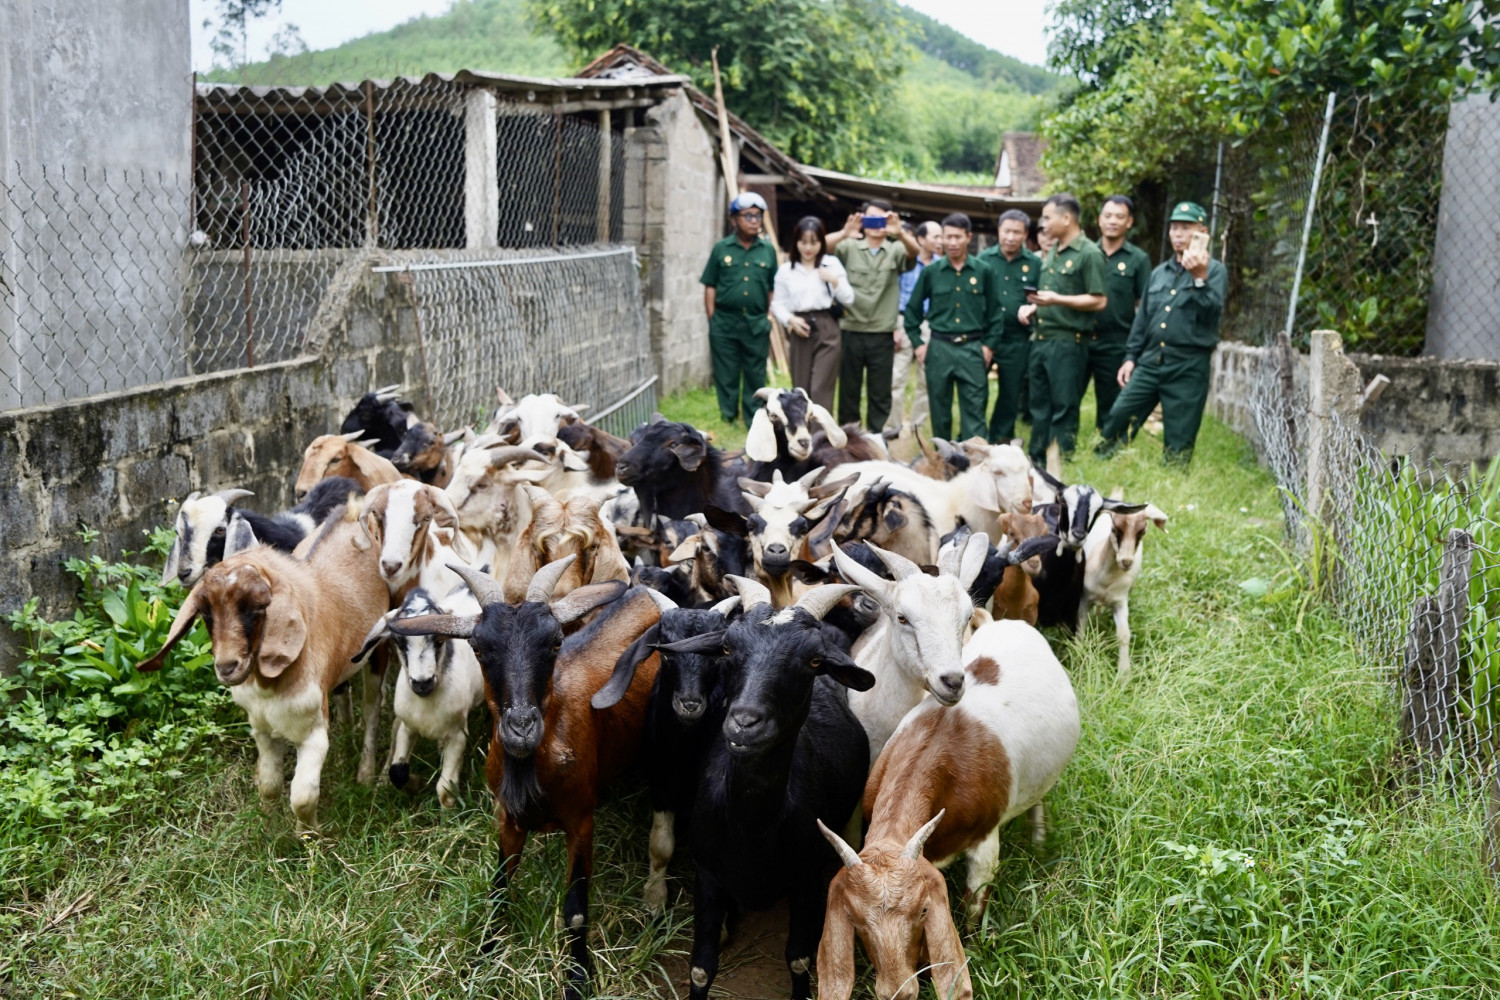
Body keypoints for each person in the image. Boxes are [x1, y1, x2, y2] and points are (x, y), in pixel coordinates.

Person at [1096, 200, 1227, 466]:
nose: (1179, 234)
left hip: (1188, 364)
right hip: (1151, 361)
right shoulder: (1158, 274)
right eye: (1175, 228)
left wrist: (1199, 278)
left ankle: (1171, 481)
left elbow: (1212, 315)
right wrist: (1131, 357)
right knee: (1118, 417)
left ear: (1202, 231)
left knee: (1179, 440)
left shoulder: (1214, 271)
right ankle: (1103, 465)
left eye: (1186, 228)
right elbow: (1142, 319)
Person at [1018, 193, 1106, 466]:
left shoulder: (1089, 253)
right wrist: (1034, 307)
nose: (1043, 224)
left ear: (1066, 218)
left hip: (1068, 342)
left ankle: (1060, 464)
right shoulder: (1053, 251)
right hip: (1041, 339)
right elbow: (1051, 294)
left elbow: (1099, 299)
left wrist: (1056, 299)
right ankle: (1036, 461)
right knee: (1039, 406)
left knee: (1064, 407)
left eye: (1048, 217)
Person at [826, 199, 921, 432]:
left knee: (880, 392)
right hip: (851, 328)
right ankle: (850, 437)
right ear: (862, 220)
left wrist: (899, 233)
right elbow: (821, 247)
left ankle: (877, 437)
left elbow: (914, 252)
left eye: (882, 219)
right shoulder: (848, 246)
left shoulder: (896, 248)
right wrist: (844, 233)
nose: (876, 224)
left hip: (881, 331)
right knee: (849, 390)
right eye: (871, 219)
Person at [904, 213, 998, 442]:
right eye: (948, 237)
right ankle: (944, 463)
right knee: (940, 411)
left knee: (974, 412)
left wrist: (988, 346)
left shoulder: (983, 271)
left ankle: (974, 463)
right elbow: (912, 312)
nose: (952, 243)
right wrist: (918, 344)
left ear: (968, 237)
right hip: (939, 348)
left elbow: (996, 314)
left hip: (972, 348)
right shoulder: (932, 273)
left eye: (958, 237)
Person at [700, 192, 778, 424]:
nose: (754, 221)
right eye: (748, 216)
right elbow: (710, 285)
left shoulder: (767, 250)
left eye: (758, 216)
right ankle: (728, 416)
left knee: (755, 373)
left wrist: (769, 316)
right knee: (726, 373)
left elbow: (773, 287)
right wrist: (712, 318)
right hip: (724, 321)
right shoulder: (721, 248)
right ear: (734, 219)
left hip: (756, 322)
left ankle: (753, 416)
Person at [771, 216, 854, 409]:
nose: (808, 248)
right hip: (801, 327)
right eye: (803, 242)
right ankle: (801, 436)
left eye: (814, 243)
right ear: (796, 242)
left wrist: (835, 281)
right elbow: (777, 304)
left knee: (820, 388)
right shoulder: (786, 270)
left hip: (827, 326)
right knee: (801, 390)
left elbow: (849, 298)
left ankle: (820, 437)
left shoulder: (831, 264)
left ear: (822, 243)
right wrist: (790, 320)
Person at [1087, 195, 1152, 431]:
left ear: (1130, 222)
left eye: (1119, 216)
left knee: (1111, 402)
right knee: (1067, 397)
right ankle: (1065, 446)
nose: (1113, 221)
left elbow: (1145, 304)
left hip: (1115, 342)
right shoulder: (1086, 253)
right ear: (1099, 220)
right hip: (1081, 337)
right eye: (1108, 216)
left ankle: (1105, 443)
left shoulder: (1138, 259)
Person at [977, 209, 1041, 442]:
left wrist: (1033, 309)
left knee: (1010, 394)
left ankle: (1001, 440)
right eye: (1007, 231)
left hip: (1017, 339)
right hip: (985, 337)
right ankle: (975, 438)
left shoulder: (1035, 263)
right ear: (999, 231)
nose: (1011, 237)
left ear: (1025, 234)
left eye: (1017, 232)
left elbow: (1041, 297)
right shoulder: (983, 259)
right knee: (976, 391)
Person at [884, 220, 939, 439]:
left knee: (926, 381)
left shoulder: (941, 265)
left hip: (930, 325)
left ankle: (917, 430)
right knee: (896, 378)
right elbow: (891, 294)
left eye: (941, 236)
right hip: (903, 321)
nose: (940, 241)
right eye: (935, 236)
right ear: (921, 239)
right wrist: (893, 326)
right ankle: (892, 430)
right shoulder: (905, 261)